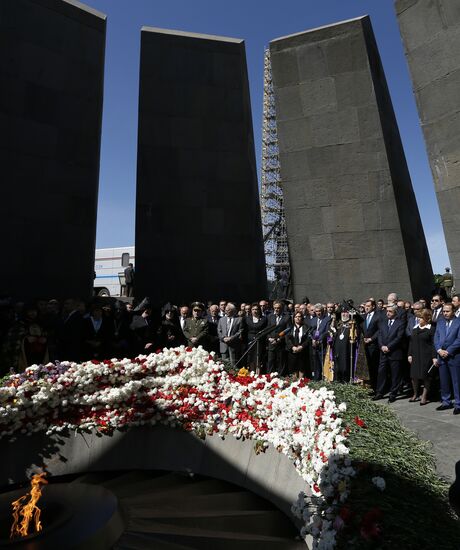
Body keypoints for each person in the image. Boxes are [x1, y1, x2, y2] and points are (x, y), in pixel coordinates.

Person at [373, 304, 406, 403]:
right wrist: (382, 346)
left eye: (390, 311)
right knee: (381, 372)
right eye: (387, 311)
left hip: (394, 352)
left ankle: (393, 394)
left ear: (395, 312)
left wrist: (389, 347)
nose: (388, 313)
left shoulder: (400, 323)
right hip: (383, 352)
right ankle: (379, 392)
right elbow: (379, 335)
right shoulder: (383, 323)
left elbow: (399, 337)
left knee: (395, 374)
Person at [434, 303, 460, 415]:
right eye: (444, 311)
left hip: (454, 356)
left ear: (453, 311)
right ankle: (446, 401)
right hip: (441, 355)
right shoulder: (440, 322)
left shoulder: (458, 322)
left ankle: (458, 404)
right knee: (444, 380)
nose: (445, 313)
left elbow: (459, 340)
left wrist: (448, 351)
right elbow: (436, 337)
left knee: (456, 381)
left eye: (447, 311)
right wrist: (439, 350)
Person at [408, 308, 437, 405]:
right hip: (415, 355)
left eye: (420, 317)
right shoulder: (415, 328)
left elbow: (433, 344)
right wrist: (409, 354)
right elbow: (411, 342)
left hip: (426, 356)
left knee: (426, 377)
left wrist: (434, 357)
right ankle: (415, 394)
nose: (418, 319)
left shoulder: (431, 329)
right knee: (414, 376)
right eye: (418, 317)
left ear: (427, 318)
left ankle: (424, 396)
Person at [266, 301, 291, 375]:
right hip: (271, 343)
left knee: (281, 362)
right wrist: (269, 338)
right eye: (275, 308)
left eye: (278, 308)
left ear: (282, 309)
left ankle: (281, 378)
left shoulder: (287, 317)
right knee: (270, 361)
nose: (276, 309)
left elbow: (288, 330)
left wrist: (280, 339)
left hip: (281, 343)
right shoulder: (270, 317)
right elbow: (267, 330)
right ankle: (269, 377)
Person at [285, 311, 311, 378]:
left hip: (302, 351)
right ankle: (294, 385)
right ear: (293, 318)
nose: (297, 318)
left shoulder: (306, 327)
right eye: (296, 317)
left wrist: (302, 346)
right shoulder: (290, 327)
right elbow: (287, 339)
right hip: (292, 351)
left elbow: (308, 339)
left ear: (302, 318)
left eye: (299, 316)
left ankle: (301, 384)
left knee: (301, 369)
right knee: (293, 369)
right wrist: (292, 347)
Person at [362, 299, 380, 393]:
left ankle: (375, 388)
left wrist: (371, 339)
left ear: (373, 306)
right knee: (366, 367)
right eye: (365, 306)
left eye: (368, 306)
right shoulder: (363, 317)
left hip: (373, 345)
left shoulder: (378, 316)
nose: (366, 307)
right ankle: (367, 387)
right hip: (364, 345)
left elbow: (379, 330)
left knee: (374, 367)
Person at [309, 304, 330, 381]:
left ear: (323, 311)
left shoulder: (327, 319)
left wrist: (319, 341)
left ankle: (324, 380)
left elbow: (326, 332)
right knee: (316, 365)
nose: (318, 313)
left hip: (323, 346)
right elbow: (311, 331)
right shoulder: (313, 320)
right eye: (316, 311)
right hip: (314, 346)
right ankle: (316, 381)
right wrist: (312, 339)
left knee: (323, 364)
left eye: (320, 311)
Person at [245, 303, 267, 373]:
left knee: (258, 358)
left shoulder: (264, 319)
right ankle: (252, 373)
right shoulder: (247, 319)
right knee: (251, 358)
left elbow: (263, 328)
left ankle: (258, 374)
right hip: (250, 341)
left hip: (260, 341)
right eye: (253, 309)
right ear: (251, 310)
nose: (255, 311)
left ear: (259, 310)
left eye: (256, 309)